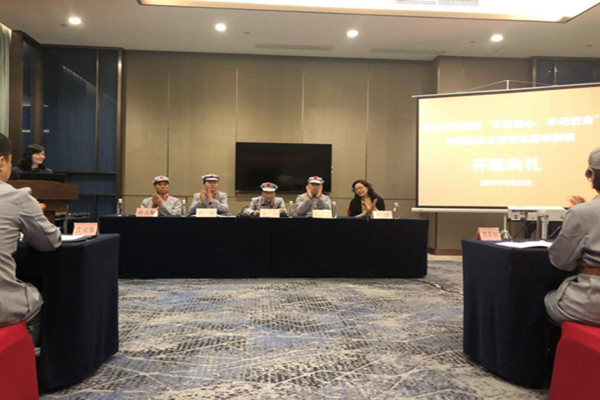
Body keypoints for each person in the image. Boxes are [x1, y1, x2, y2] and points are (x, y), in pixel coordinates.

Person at [0, 134, 61, 345]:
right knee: (35, 297)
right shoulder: (17, 197)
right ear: (1, 162)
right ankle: (30, 358)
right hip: (3, 306)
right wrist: (34, 211)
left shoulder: (47, 173)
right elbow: (50, 242)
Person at [545, 146, 600, 327]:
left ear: (591, 174)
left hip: (591, 304)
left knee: (546, 298)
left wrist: (579, 213)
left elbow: (562, 262)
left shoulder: (581, 212)